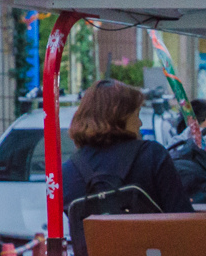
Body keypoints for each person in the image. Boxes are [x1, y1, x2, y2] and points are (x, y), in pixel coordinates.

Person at [62, 80, 193, 246]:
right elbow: (184, 222)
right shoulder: (153, 155)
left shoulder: (67, 171)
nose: (140, 123)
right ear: (120, 116)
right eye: (136, 115)